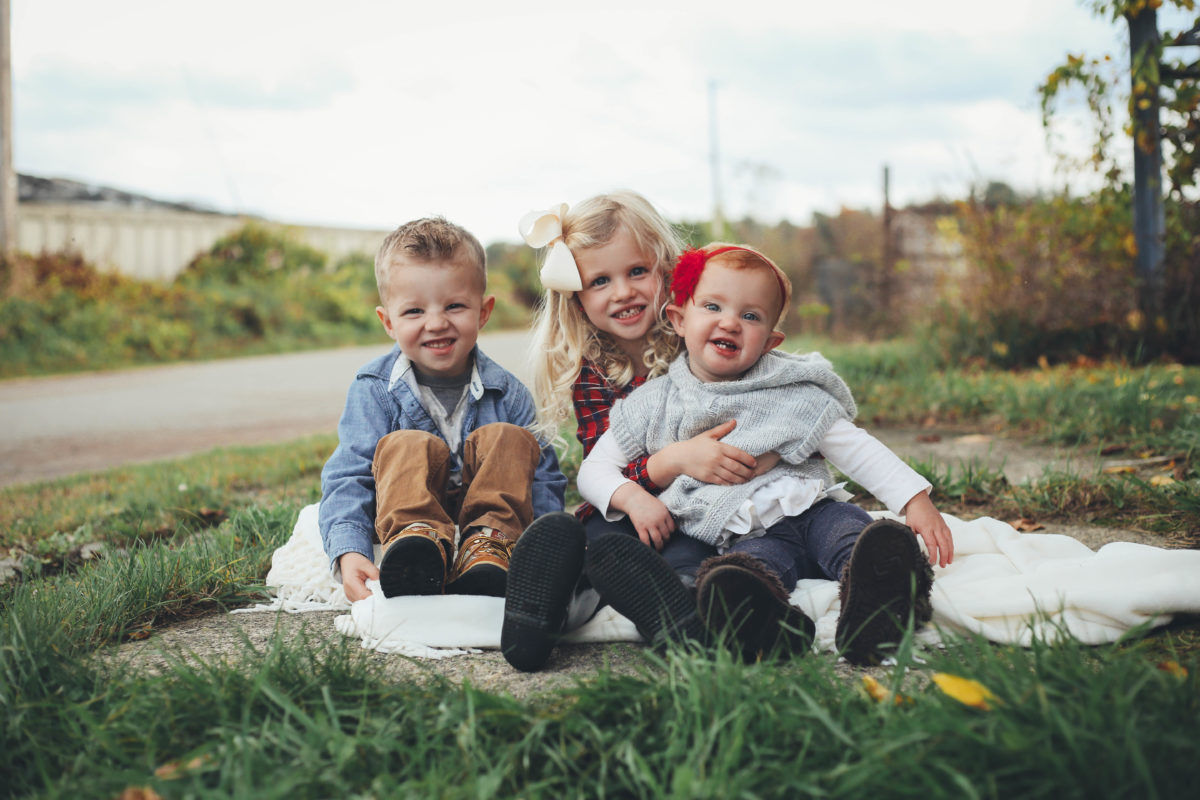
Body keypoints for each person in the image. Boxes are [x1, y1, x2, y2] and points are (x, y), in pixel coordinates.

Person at [577, 242, 955, 665]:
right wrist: (632, 497)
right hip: (747, 538)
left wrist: (914, 500)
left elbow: (855, 447)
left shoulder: (791, 391)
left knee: (856, 538)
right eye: (713, 306)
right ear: (679, 319)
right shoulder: (652, 404)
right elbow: (594, 469)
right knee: (742, 576)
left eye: (751, 316)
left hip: (815, 512)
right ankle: (769, 627)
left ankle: (881, 604)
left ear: (770, 342)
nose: (730, 322)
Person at [502, 193, 771, 672]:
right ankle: (542, 614)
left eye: (637, 272)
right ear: (577, 297)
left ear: (666, 270)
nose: (622, 292)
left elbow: (749, 418)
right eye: (600, 281)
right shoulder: (593, 371)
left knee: (690, 551)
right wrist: (657, 473)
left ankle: (678, 613)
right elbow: (602, 467)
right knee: (596, 542)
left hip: (699, 503)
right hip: (627, 506)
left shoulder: (702, 341)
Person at [319, 217, 566, 603]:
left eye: (454, 306)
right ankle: (416, 549)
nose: (436, 323)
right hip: (405, 521)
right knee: (405, 444)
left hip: (492, 530)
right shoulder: (374, 390)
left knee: (510, 439)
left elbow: (542, 479)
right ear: (388, 322)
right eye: (414, 312)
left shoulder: (509, 394)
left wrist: (546, 546)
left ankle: (487, 549)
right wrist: (349, 549)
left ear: (483, 312)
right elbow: (349, 475)